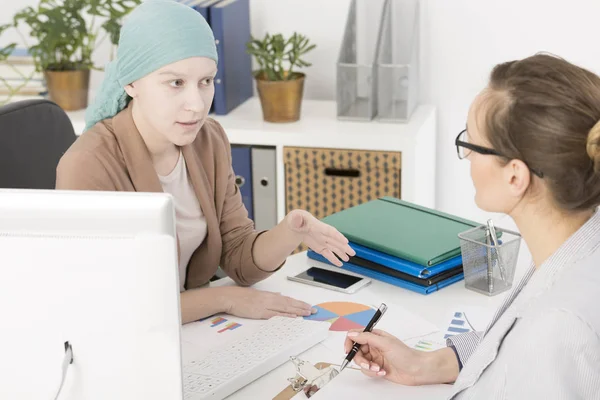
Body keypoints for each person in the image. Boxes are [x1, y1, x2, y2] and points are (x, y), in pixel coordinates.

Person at [55, 0, 355, 324]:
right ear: (131, 83)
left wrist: (291, 231)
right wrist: (223, 298)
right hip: (128, 345)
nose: (196, 105)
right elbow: (108, 306)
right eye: (176, 83)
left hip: (193, 332)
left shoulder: (207, 140)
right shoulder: (88, 164)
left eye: (206, 81)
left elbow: (238, 255)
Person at [343, 53, 600, 398]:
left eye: (471, 144)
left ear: (515, 176)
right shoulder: (575, 248)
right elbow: (515, 342)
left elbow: (543, 347)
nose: (467, 158)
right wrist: (426, 364)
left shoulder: (561, 327)